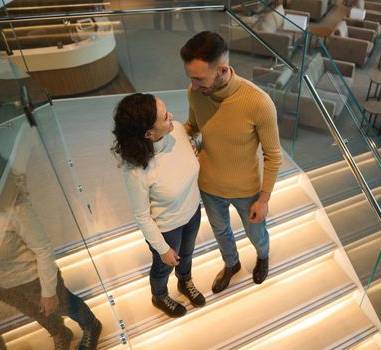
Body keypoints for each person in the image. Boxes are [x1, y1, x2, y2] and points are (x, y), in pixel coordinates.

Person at [0, 137, 102, 350]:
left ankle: (91, 324)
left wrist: (49, 291)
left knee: (64, 305)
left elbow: (43, 249)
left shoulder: (11, 203)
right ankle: (60, 331)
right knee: (36, 313)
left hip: (31, 278)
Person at [180, 31, 283, 294]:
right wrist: (183, 140)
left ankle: (263, 256)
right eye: (190, 77)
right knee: (221, 232)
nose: (193, 85)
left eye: (199, 78)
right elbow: (193, 126)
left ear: (223, 70)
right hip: (209, 185)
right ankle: (231, 264)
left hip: (246, 189)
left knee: (256, 234)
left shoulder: (258, 102)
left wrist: (264, 199)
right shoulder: (195, 94)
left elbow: (274, 155)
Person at [112, 93, 205, 318]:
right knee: (164, 266)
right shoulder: (137, 170)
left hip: (193, 213)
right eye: (165, 117)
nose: (172, 117)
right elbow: (142, 216)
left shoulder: (179, 132)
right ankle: (159, 294)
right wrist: (163, 249)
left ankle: (184, 282)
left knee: (188, 254)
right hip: (167, 229)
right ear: (149, 134)